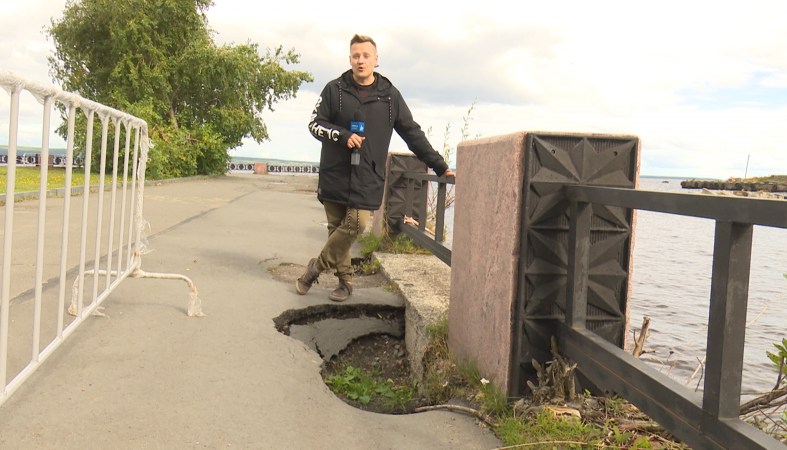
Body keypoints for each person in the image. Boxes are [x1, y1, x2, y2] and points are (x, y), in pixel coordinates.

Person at [297, 34, 455, 302]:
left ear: (376, 60)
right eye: (356, 56)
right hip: (335, 172)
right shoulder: (333, 89)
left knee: (356, 223)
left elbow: (412, 133)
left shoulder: (389, 97)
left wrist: (439, 165)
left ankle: (315, 268)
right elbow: (315, 125)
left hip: (368, 175)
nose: (361, 60)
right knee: (336, 228)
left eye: (366, 56)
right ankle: (345, 283)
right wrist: (342, 134)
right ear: (350, 59)